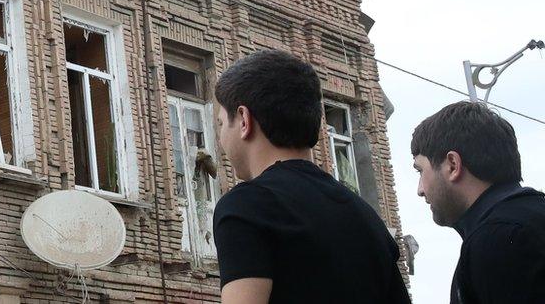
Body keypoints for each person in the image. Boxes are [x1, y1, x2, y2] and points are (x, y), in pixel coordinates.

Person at [212, 50, 409, 304]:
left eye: (220, 124)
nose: (220, 139)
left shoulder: (247, 206)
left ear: (243, 120)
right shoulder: (366, 218)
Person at [412, 101, 545, 303]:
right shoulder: (529, 217)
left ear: (452, 165)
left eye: (420, 171)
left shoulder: (496, 240)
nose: (420, 190)